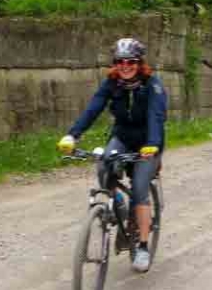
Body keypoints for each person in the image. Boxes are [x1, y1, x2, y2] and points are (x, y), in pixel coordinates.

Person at [58, 38, 167, 273]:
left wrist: (152, 144)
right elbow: (93, 108)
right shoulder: (112, 83)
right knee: (103, 166)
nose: (125, 66)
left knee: (139, 189)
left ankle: (143, 247)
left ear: (140, 63)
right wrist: (72, 135)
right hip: (123, 138)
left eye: (131, 62)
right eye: (120, 62)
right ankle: (118, 203)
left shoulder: (152, 85)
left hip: (148, 143)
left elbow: (156, 116)